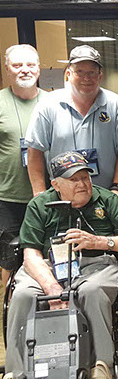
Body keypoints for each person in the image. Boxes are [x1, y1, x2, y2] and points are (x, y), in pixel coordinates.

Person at [0, 151, 118, 379]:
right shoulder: (39, 205)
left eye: (85, 177)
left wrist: (99, 241)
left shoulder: (106, 199)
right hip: (47, 266)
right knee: (22, 295)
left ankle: (101, 368)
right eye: (73, 179)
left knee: (91, 291)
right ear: (56, 184)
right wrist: (52, 287)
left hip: (95, 263)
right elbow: (30, 254)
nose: (83, 184)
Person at [25, 45, 118, 201]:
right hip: (62, 198)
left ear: (100, 76)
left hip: (106, 196)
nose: (87, 78)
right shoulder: (48, 105)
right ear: (68, 74)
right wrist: (39, 194)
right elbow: (34, 150)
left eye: (92, 72)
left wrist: (117, 188)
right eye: (80, 72)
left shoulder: (115, 104)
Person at [0, 45, 46, 285]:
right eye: (17, 65)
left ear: (38, 68)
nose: (25, 70)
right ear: (7, 69)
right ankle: (11, 306)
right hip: (8, 198)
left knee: (49, 256)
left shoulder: (53, 102)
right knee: (9, 260)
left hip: (49, 197)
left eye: (30, 64)